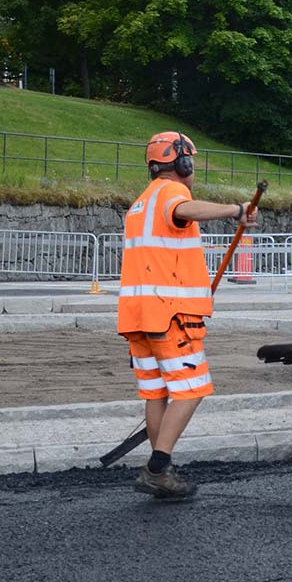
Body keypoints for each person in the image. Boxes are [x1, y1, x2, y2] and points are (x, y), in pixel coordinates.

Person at [118, 132, 258, 500]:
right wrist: (235, 211)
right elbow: (184, 209)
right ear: (183, 164)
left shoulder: (139, 204)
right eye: (191, 162)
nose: (192, 168)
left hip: (139, 316)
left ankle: (160, 467)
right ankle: (157, 469)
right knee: (192, 389)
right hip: (171, 316)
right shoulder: (171, 194)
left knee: (156, 392)